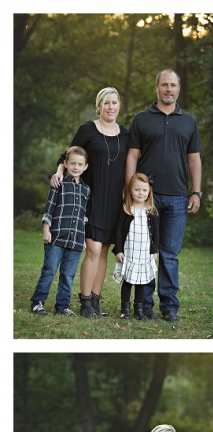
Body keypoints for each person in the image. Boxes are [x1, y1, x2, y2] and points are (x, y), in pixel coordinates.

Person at [124, 68, 202, 322]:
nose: (169, 89)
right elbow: (132, 157)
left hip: (178, 196)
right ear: (157, 87)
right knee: (146, 251)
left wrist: (196, 192)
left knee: (169, 254)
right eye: (164, 85)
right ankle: (145, 305)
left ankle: (169, 306)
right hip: (146, 197)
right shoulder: (141, 119)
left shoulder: (188, 121)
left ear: (179, 89)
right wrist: (129, 191)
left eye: (173, 85)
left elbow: (194, 160)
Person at [49, 87, 130, 318]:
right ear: (99, 106)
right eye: (106, 103)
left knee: (103, 251)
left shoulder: (125, 135)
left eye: (114, 102)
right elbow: (67, 155)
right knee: (93, 249)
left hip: (114, 201)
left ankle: (95, 301)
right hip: (90, 198)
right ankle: (85, 301)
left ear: (119, 105)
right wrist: (59, 172)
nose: (111, 107)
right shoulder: (88, 130)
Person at [30, 146, 90, 316]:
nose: (76, 167)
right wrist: (46, 229)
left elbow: (83, 215)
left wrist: (83, 238)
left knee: (68, 275)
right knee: (49, 270)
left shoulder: (86, 189)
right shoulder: (59, 182)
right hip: (56, 236)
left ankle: (62, 306)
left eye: (80, 164)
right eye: (72, 163)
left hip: (76, 239)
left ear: (85, 166)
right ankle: (37, 302)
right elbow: (50, 207)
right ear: (66, 164)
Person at [114, 173, 160, 320]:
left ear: (149, 192)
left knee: (141, 282)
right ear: (130, 191)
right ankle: (125, 310)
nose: (141, 193)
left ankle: (138, 310)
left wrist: (154, 250)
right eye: (137, 190)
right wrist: (119, 250)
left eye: (144, 190)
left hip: (144, 252)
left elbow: (156, 233)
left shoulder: (151, 210)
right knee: (127, 281)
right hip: (129, 251)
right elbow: (119, 231)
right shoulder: (126, 209)